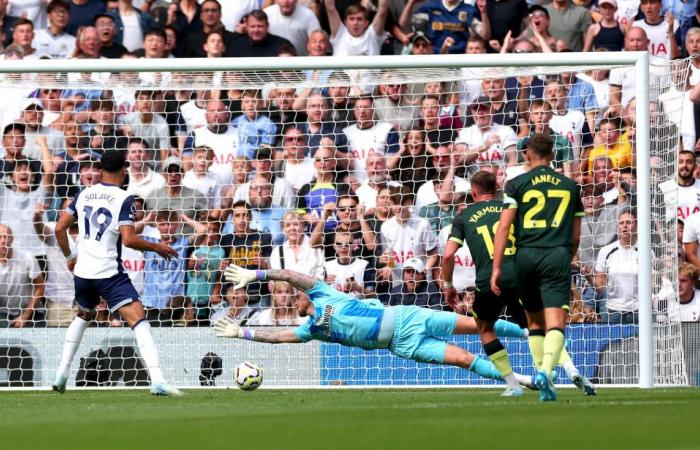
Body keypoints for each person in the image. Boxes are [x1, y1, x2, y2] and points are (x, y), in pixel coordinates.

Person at [214, 264, 534, 388]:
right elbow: (278, 337)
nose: (291, 295)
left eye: (293, 294)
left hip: (408, 317)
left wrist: (256, 275)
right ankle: (518, 380)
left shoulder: (323, 292)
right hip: (403, 345)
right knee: (464, 360)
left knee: (480, 324)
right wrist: (242, 332)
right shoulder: (311, 329)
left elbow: (287, 274)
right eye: (289, 294)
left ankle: (528, 331)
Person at [443, 170, 595, 397]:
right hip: (522, 274)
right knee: (540, 327)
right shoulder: (511, 209)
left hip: (488, 279)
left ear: (473, 192)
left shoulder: (464, 217)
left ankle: (513, 385)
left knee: (485, 328)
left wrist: (447, 284)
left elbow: (447, 256)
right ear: (496, 190)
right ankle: (571, 369)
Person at [52, 149, 181, 395]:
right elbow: (129, 239)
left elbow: (59, 228)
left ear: (100, 171)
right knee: (139, 320)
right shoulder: (125, 199)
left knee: (85, 314)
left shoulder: (83, 194)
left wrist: (70, 258)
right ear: (124, 171)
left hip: (83, 274)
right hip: (109, 273)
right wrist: (157, 246)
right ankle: (158, 380)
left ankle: (61, 374)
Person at [491, 133, 584, 401]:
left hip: (526, 256)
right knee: (556, 323)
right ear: (553, 156)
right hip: (556, 254)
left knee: (533, 321)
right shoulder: (570, 186)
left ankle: (542, 375)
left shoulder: (516, 184)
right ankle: (545, 370)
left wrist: (497, 267)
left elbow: (505, 226)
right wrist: (566, 256)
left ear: (527, 155)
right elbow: (576, 236)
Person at [592, 208, 639, 324]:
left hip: (639, 310)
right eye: (621, 223)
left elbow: (653, 282)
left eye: (629, 223)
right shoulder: (606, 251)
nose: (624, 226)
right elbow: (600, 284)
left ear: (637, 225)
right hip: (612, 310)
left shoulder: (646, 251)